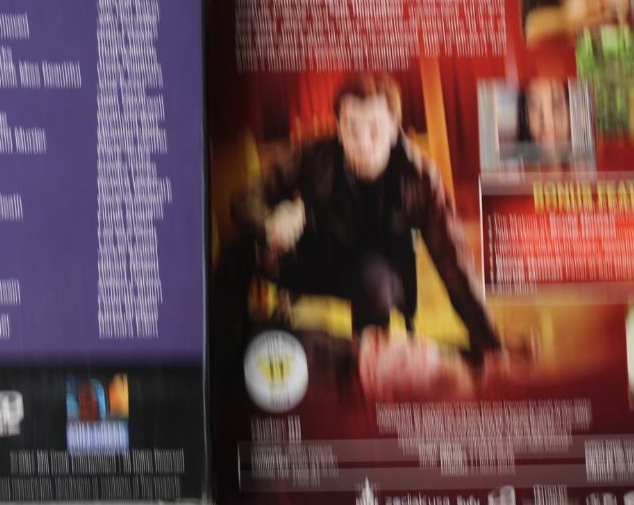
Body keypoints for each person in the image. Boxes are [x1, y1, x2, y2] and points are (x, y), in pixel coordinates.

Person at [214, 74, 503, 361]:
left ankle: (366, 369)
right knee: (238, 250)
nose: (363, 143)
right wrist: (270, 223)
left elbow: (454, 261)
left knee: (373, 282)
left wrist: (489, 343)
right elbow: (245, 199)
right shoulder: (313, 154)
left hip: (378, 274)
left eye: (375, 129)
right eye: (351, 128)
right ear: (339, 128)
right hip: (316, 258)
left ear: (394, 129)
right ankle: (223, 351)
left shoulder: (420, 177)